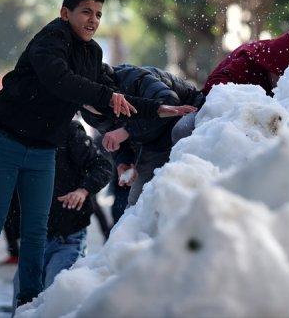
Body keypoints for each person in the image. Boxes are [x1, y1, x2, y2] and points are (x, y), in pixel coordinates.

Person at [0, 0, 195, 315]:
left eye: (98, 14)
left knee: (36, 231)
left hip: (42, 151)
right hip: (7, 142)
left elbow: (114, 93)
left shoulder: (93, 54)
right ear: (65, 13)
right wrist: (108, 97)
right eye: (86, 12)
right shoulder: (48, 41)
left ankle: (28, 304)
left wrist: (159, 109)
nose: (93, 20)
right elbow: (60, 80)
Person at [83, 64, 206, 215]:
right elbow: (115, 137)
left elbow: (170, 103)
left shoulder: (132, 78)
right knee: (135, 204)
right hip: (152, 141)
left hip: (186, 116)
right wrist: (124, 162)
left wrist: (127, 131)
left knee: (180, 132)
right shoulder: (87, 112)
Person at [12, 121, 112, 301]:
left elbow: (102, 166)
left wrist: (83, 190)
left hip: (68, 236)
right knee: (22, 300)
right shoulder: (17, 133)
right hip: (33, 238)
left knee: (54, 296)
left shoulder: (69, 131)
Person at [170, 32, 289, 146]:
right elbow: (213, 88)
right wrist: (250, 104)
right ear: (270, 67)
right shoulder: (247, 63)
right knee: (182, 129)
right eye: (281, 76)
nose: (285, 82)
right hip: (218, 113)